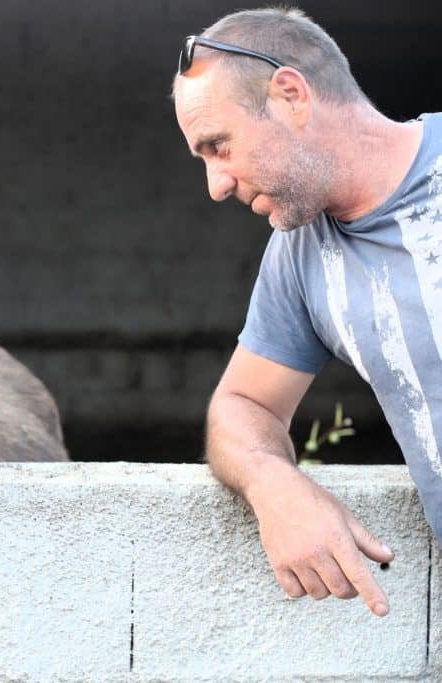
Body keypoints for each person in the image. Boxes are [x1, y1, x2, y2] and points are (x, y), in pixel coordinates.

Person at [172, 7, 442, 618]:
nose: (216, 184)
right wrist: (272, 482)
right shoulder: (300, 254)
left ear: (291, 95)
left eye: (219, 145)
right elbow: (243, 405)